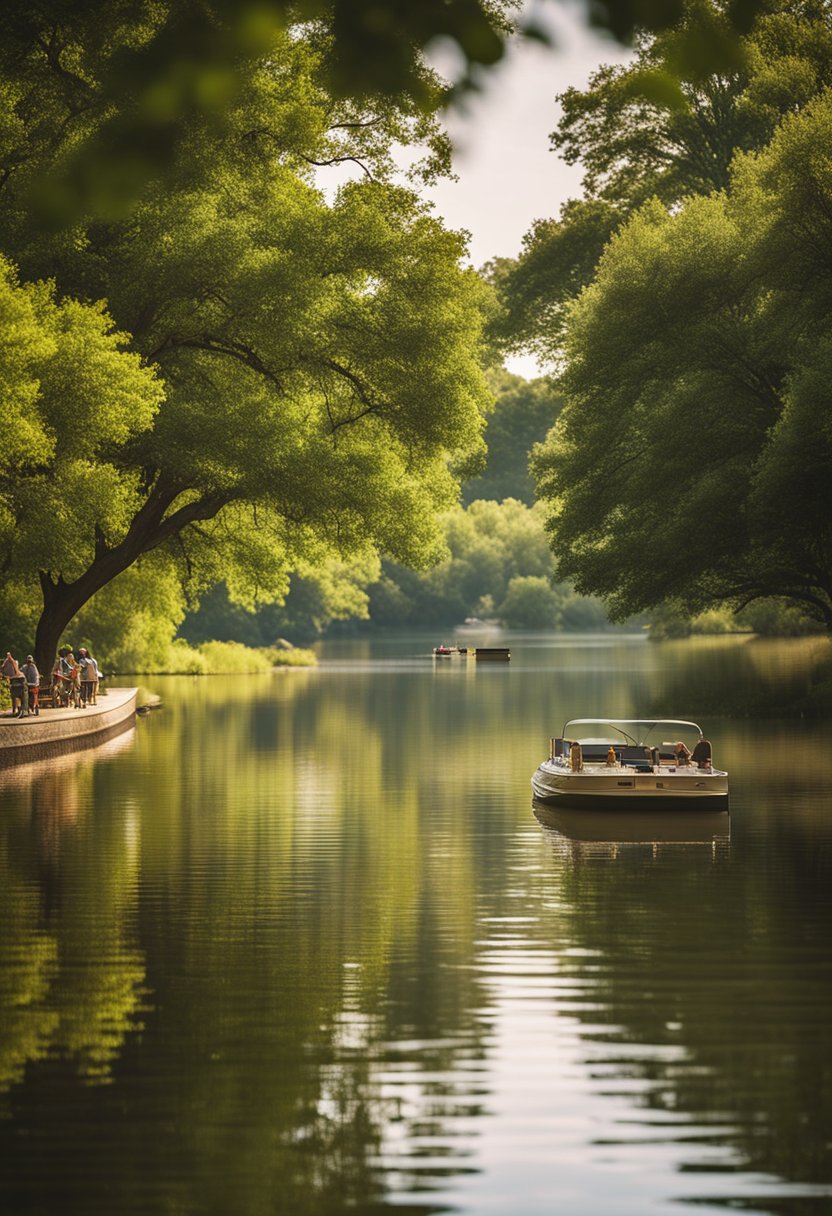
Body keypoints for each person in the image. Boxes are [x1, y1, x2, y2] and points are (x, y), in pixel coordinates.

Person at [2, 651, 27, 717]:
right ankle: (19, 709)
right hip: (18, 686)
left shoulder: (10, 663)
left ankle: (18, 710)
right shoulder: (11, 664)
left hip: (15, 685)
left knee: (16, 698)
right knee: (20, 697)